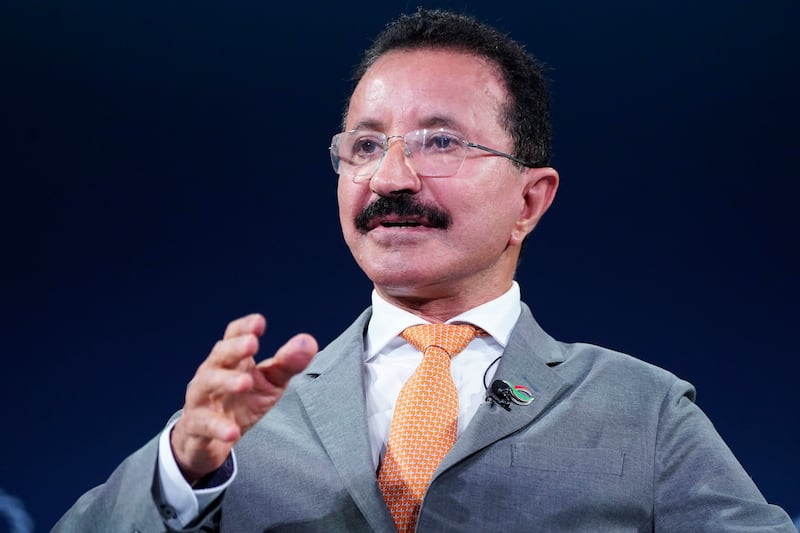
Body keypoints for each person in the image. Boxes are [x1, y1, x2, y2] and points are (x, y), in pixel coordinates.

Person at [54, 8, 795, 532]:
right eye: (366, 146)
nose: (391, 178)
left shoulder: (646, 411)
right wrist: (181, 468)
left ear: (529, 201)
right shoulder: (243, 419)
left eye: (440, 143)